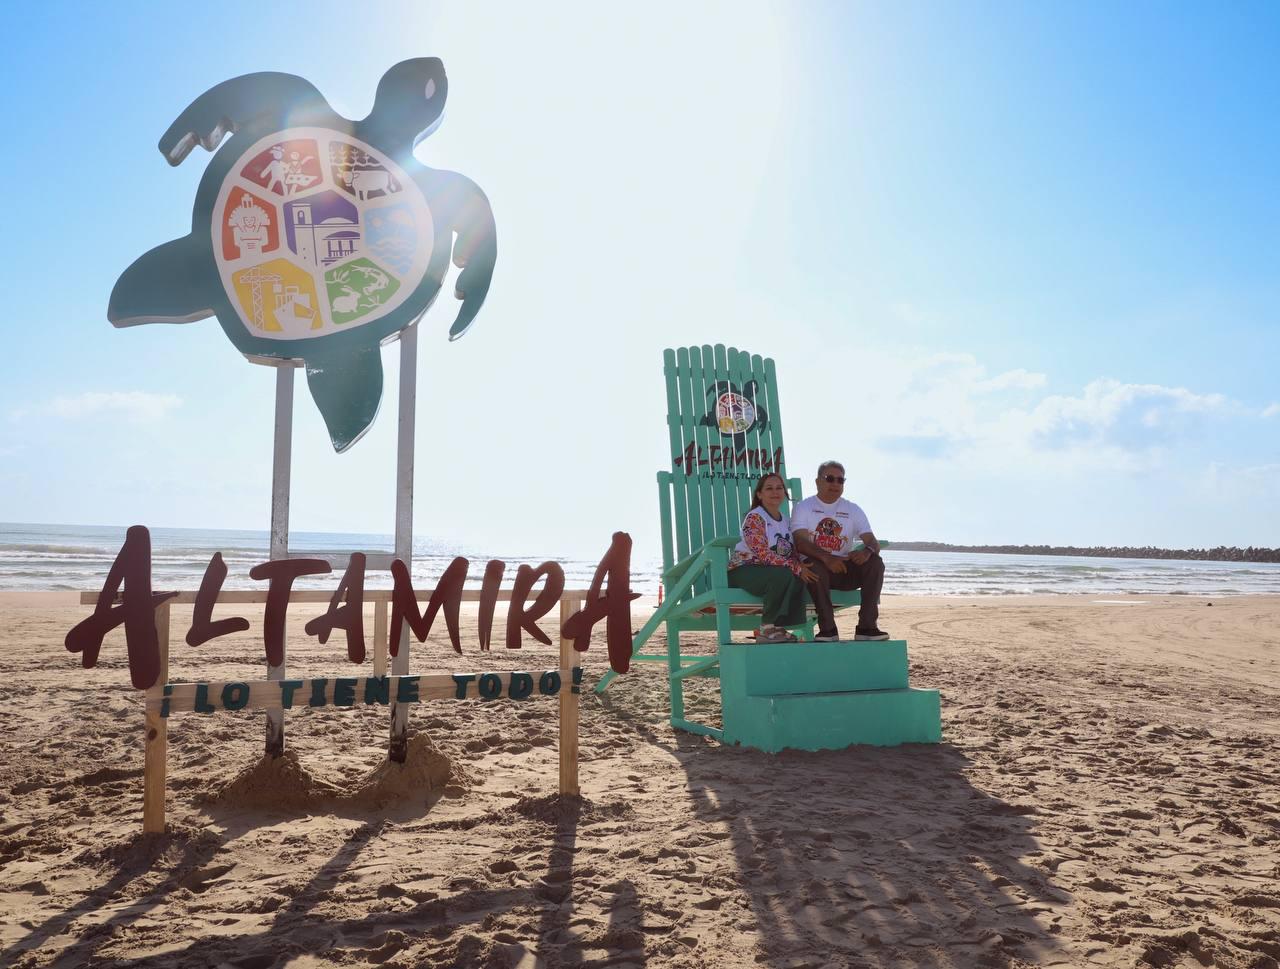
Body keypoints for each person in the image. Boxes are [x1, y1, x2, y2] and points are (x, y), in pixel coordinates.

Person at [790, 460, 890, 641]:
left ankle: (866, 627)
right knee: (814, 566)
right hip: (816, 571)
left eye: (840, 480)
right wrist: (827, 559)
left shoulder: (853, 509)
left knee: (875, 562)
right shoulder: (803, 507)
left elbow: (872, 542)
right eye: (829, 478)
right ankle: (828, 630)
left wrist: (865, 552)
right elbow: (800, 543)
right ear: (818, 481)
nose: (835, 484)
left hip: (843, 569)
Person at [728, 472, 819, 643]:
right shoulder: (755, 517)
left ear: (785, 493)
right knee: (785, 573)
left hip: (771, 572)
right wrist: (796, 567)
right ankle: (766, 628)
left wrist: (805, 564)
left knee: (796, 574)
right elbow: (763, 554)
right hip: (744, 570)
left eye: (779, 488)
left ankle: (779, 627)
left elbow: (792, 552)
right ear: (759, 494)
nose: (775, 492)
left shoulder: (786, 521)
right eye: (769, 488)